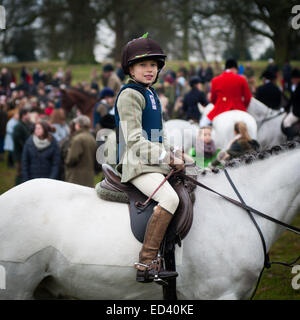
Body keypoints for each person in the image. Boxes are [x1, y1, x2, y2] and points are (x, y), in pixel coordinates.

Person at [115, 33, 185, 283]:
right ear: (130, 69)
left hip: (154, 161)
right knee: (169, 198)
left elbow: (159, 134)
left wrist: (174, 152)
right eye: (143, 65)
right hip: (137, 165)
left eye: (153, 65)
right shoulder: (130, 95)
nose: (149, 69)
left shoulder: (152, 94)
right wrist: (166, 155)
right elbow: (134, 139)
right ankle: (146, 262)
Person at [200, 58, 252, 127]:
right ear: (234, 68)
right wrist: (242, 107)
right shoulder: (242, 79)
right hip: (239, 109)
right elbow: (248, 98)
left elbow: (213, 100)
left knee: (202, 124)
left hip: (220, 110)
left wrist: (219, 104)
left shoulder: (215, 80)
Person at [64, 115, 97, 187]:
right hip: (89, 178)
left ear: (78, 125)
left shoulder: (77, 139)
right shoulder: (92, 138)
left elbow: (72, 158)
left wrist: (66, 163)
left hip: (76, 177)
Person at [12, 108, 32, 184]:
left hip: (23, 154)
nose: (29, 115)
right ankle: (16, 188)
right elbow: (17, 140)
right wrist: (26, 149)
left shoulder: (24, 125)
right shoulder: (18, 126)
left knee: (23, 173)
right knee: (19, 173)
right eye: (28, 114)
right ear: (24, 115)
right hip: (20, 154)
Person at [282, 68, 300, 140]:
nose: (292, 80)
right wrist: (285, 108)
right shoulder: (294, 86)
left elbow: (292, 100)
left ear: (296, 79)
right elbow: (291, 100)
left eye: (293, 79)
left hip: (297, 112)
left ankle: (291, 140)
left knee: (286, 122)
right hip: (296, 109)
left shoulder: (296, 87)